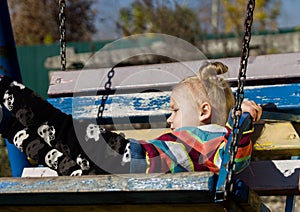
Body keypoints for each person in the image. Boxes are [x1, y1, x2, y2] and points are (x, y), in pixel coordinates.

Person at [0, 61, 262, 176]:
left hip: (129, 157)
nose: (170, 120)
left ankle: (5, 89)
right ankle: (9, 126)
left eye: (175, 110)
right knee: (60, 158)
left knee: (63, 129)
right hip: (123, 165)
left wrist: (244, 120)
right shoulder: (197, 141)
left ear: (204, 112)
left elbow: (234, 160)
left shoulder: (217, 137)